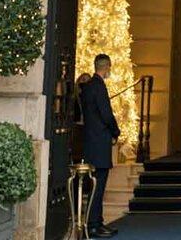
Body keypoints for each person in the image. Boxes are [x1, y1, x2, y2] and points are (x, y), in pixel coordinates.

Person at [79, 53, 120, 238]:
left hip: (91, 143)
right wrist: (116, 131)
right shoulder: (99, 87)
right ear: (107, 67)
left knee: (96, 185)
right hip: (99, 144)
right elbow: (106, 114)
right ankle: (94, 225)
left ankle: (97, 222)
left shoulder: (88, 87)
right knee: (98, 187)